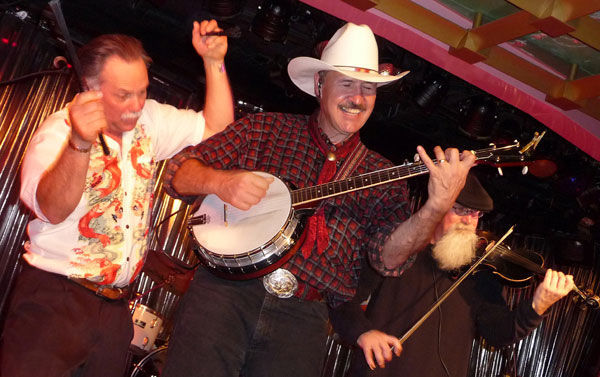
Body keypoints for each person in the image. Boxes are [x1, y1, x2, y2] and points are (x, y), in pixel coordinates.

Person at [160, 23, 475, 377]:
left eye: (368, 88)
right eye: (346, 84)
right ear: (319, 85)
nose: (357, 98)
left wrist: (434, 208)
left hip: (303, 319)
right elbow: (176, 174)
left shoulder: (382, 176)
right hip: (224, 296)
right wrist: (218, 181)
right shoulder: (264, 130)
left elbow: (389, 261)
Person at [0, 20, 234, 377]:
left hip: (115, 307)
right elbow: (51, 209)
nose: (136, 104)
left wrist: (214, 62)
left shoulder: (149, 122)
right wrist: (79, 143)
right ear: (90, 87)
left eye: (142, 91)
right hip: (55, 297)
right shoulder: (56, 134)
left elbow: (216, 129)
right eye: (124, 94)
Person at [328, 173, 574, 377]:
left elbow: (498, 332)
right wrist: (363, 332)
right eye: (460, 210)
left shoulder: (478, 274)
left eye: (475, 214)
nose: (468, 220)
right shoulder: (397, 249)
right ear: (436, 209)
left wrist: (537, 306)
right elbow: (342, 299)